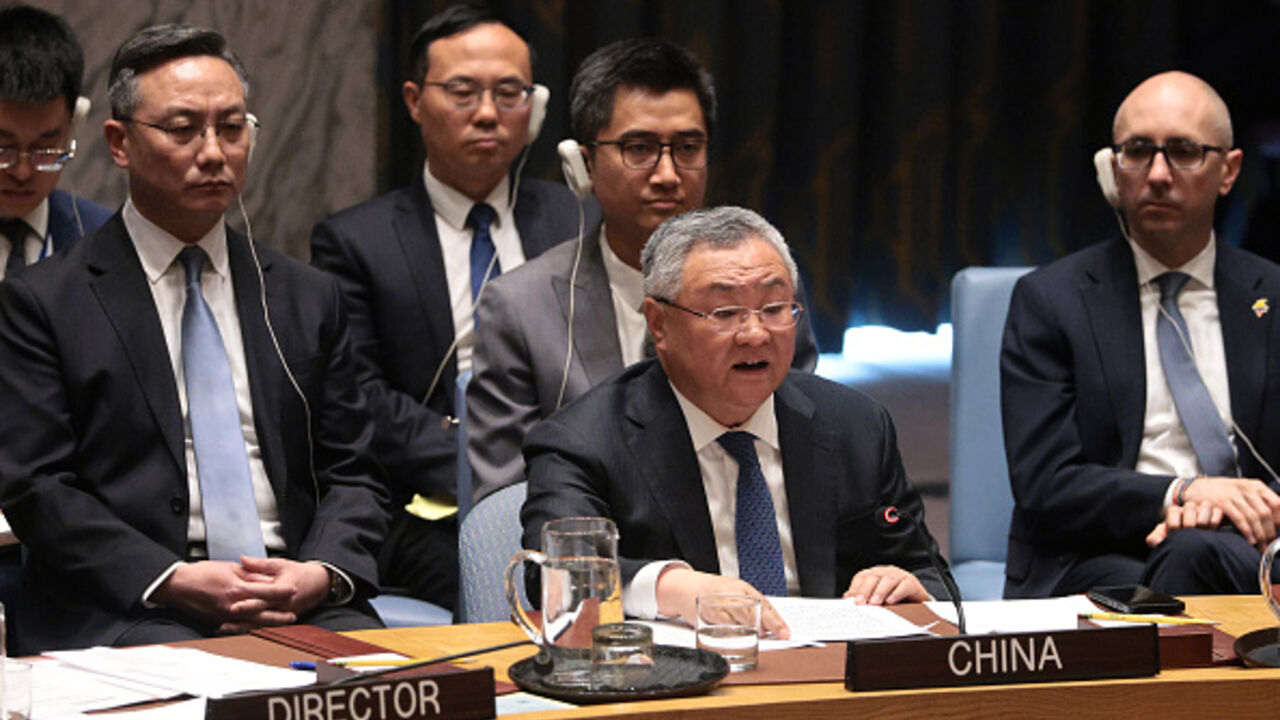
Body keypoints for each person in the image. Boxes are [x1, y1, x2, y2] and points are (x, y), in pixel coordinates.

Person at [0, 24, 388, 652]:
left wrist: (318, 573)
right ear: (119, 143)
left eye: (232, 128)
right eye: (183, 130)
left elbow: (356, 472)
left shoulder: (304, 295)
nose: (214, 153)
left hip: (296, 596)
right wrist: (172, 579)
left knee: (406, 690)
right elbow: (38, 488)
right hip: (131, 607)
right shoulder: (45, 301)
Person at [520, 206, 942, 636]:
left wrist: (907, 585)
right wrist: (671, 587)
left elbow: (929, 573)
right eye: (725, 313)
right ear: (658, 324)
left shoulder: (857, 426)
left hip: (829, 681)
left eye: (775, 307)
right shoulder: (583, 441)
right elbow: (555, 577)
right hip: (677, 684)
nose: (756, 334)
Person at [309, 4, 588, 611]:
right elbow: (360, 396)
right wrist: (491, 465)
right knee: (508, 583)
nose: (487, 113)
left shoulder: (576, 220)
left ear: (534, 106)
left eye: (509, 92)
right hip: (427, 505)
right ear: (414, 100)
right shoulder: (356, 240)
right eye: (462, 92)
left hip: (577, 489)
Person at [467, 39, 819, 501]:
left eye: (687, 147)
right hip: (604, 561)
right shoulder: (520, 308)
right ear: (584, 163)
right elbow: (505, 501)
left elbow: (805, 451)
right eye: (640, 148)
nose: (668, 174)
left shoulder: (767, 288)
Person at [1002, 71, 1280, 598]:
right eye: (1137, 152)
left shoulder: (1273, 296)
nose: (1157, 174)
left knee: (1195, 554)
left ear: (1229, 171)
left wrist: (1228, 509)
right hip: (1096, 556)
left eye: (1183, 152)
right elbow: (1046, 483)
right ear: (1112, 170)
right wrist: (1183, 493)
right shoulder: (1051, 301)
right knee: (1188, 558)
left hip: (1251, 547)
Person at [0, 3, 111, 280]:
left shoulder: (108, 241)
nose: (22, 172)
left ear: (73, 126)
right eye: (3, 149)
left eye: (44, 148)